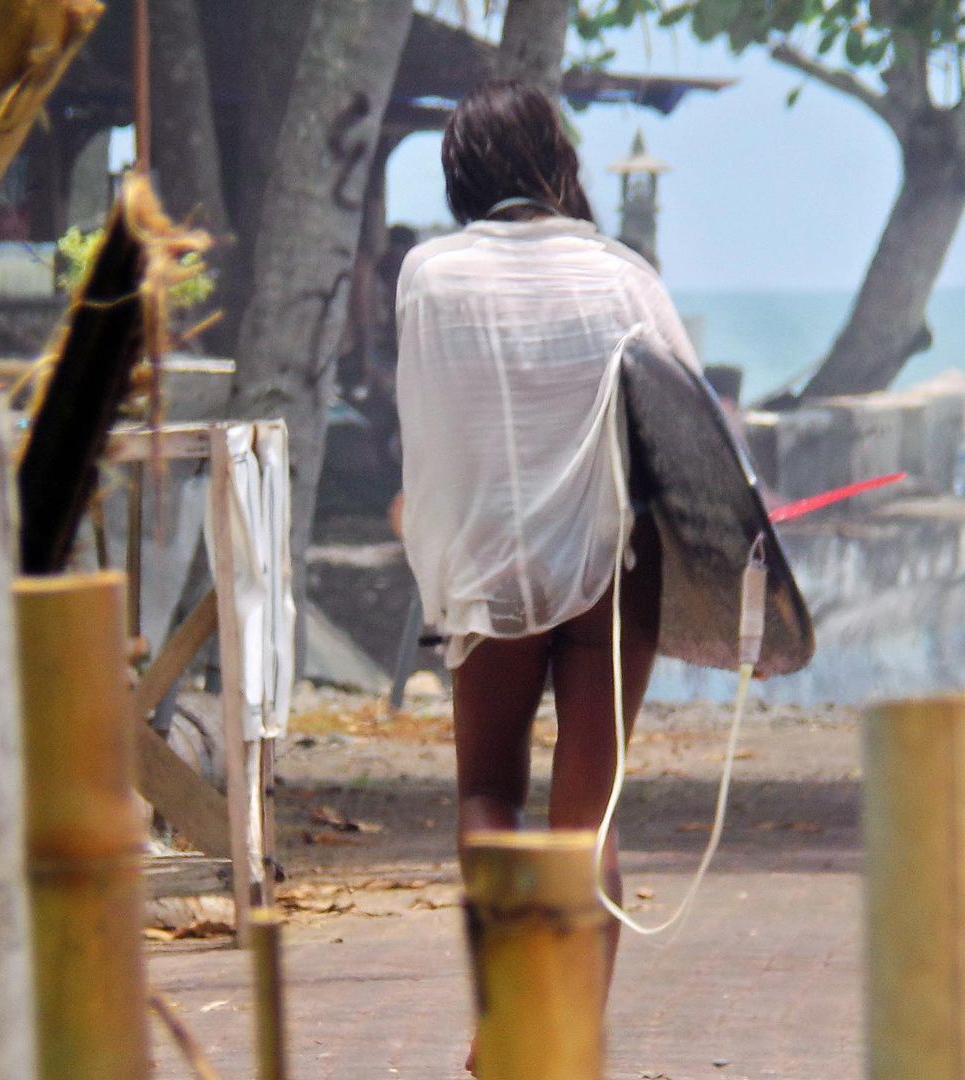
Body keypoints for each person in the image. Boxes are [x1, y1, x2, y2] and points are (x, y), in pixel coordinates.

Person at [394, 80, 700, 1070]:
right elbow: (688, 433)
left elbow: (434, 435)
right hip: (618, 566)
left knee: (488, 791)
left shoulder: (430, 277)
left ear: (459, 172)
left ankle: (508, 1030)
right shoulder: (623, 275)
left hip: (490, 562)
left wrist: (432, 553)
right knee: (589, 811)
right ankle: (562, 1040)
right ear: (556, 161)